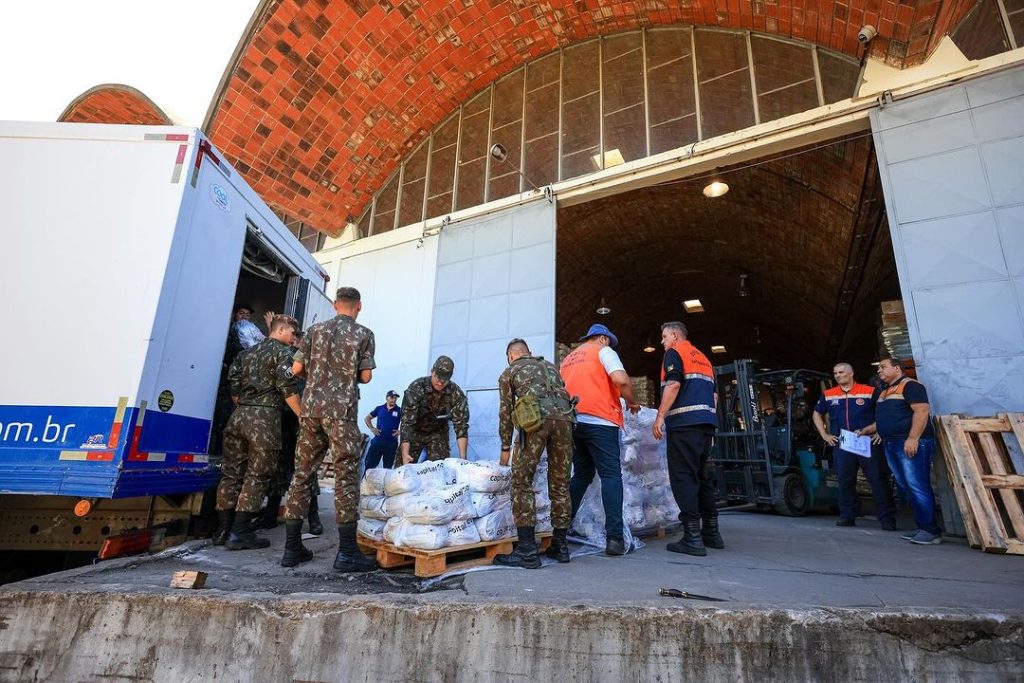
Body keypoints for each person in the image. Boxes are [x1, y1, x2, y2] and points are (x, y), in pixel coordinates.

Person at [280, 287, 378, 570]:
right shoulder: (364, 334)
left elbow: (295, 371)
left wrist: (307, 375)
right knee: (345, 475)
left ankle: (292, 549)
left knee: (302, 474)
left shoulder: (313, 331)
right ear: (358, 306)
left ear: (335, 305)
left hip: (310, 410)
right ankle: (347, 553)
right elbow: (366, 376)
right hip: (341, 412)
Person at [213, 315, 302, 550]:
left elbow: (234, 391)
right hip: (264, 419)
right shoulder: (283, 354)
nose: (294, 338)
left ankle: (222, 530)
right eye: (293, 333)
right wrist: (303, 417)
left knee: (231, 473)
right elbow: (288, 389)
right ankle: (240, 532)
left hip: (239, 415)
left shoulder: (245, 354)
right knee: (258, 475)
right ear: (281, 330)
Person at [493, 339, 576, 568]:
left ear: (511, 355)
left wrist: (505, 447)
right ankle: (560, 546)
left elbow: (506, 411)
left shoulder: (510, 371)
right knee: (560, 483)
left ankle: (527, 550)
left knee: (521, 482)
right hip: (565, 421)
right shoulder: (550, 366)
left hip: (535, 421)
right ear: (528, 352)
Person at [560, 324, 640, 556]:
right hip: (601, 422)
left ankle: (562, 530)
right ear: (603, 338)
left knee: (581, 475)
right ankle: (614, 538)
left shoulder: (569, 359)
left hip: (574, 422)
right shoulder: (604, 351)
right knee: (611, 475)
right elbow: (621, 380)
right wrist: (632, 402)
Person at [651, 321, 721, 556]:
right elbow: (714, 395)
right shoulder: (703, 358)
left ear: (674, 335)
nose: (662, 342)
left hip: (684, 424)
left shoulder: (675, 352)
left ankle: (692, 537)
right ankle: (712, 533)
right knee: (704, 478)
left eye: (663, 337)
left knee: (683, 478)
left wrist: (660, 416)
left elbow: (673, 384)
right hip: (706, 425)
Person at [860, 358, 942, 545]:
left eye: (883, 367)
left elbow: (921, 411)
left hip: (909, 443)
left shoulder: (911, 386)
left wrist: (913, 438)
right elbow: (889, 417)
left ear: (897, 368)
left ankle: (931, 530)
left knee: (917, 485)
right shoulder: (885, 391)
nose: (879, 371)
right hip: (891, 443)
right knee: (905, 485)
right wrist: (869, 429)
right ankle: (922, 527)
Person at [812, 362, 897, 531]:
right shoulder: (828, 394)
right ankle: (847, 516)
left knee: (878, 480)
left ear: (851, 374)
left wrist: (880, 430)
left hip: (867, 442)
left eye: (841, 372)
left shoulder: (869, 391)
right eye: (835, 373)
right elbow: (817, 413)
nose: (837, 375)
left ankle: (887, 519)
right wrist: (824, 434)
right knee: (845, 481)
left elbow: (884, 413)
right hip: (843, 443)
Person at [257, 328, 323, 536]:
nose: (296, 344)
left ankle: (313, 518)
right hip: (284, 422)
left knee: (305, 470)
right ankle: (269, 515)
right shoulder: (285, 361)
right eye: (295, 341)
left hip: (304, 424)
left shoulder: (314, 368)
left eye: (299, 342)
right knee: (278, 468)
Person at [399, 356, 470, 464]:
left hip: (437, 433)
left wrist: (463, 459)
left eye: (445, 380)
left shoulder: (455, 392)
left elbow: (461, 424)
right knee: (402, 469)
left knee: (440, 468)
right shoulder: (417, 387)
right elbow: (407, 422)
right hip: (414, 431)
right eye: (438, 377)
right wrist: (404, 453)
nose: (441, 383)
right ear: (432, 371)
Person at [364, 391, 402, 471]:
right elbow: (367, 418)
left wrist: (400, 431)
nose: (394, 400)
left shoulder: (399, 411)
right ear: (387, 397)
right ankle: (365, 481)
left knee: (387, 469)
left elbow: (408, 423)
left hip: (391, 444)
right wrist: (372, 428)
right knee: (369, 465)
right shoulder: (379, 409)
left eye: (395, 398)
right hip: (378, 442)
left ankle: (385, 483)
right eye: (392, 397)